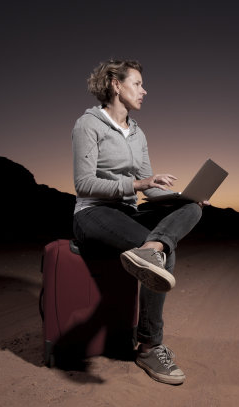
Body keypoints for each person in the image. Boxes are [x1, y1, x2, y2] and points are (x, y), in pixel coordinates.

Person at [71, 59, 206, 385]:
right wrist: (137, 184)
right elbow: (83, 184)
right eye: (137, 84)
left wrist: (181, 196)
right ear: (116, 85)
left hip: (127, 212)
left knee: (192, 210)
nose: (144, 91)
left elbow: (151, 189)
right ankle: (149, 347)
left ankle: (152, 247)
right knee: (166, 254)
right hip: (93, 213)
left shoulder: (138, 133)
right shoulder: (87, 125)